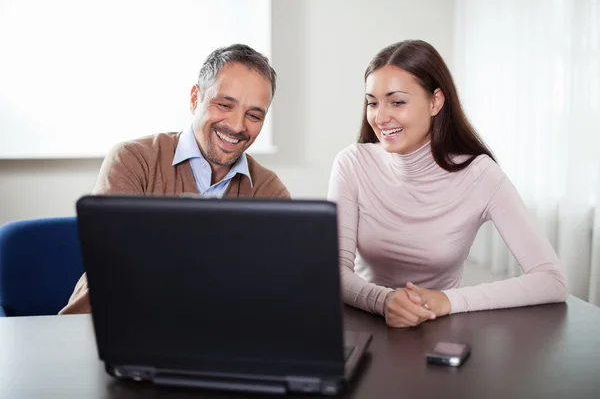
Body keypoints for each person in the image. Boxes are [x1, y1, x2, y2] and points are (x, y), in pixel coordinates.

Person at [327, 40, 568, 328]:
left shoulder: (480, 174)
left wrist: (447, 300)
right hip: (364, 322)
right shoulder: (352, 164)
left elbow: (551, 279)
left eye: (397, 102)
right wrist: (384, 301)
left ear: (435, 102)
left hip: (439, 325)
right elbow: (335, 272)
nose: (379, 117)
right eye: (372, 102)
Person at [60, 44, 290, 315]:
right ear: (195, 98)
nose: (238, 126)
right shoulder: (133, 160)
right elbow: (117, 267)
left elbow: (270, 289)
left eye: (253, 115)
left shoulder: (269, 192)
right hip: (110, 327)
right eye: (224, 104)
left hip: (215, 338)